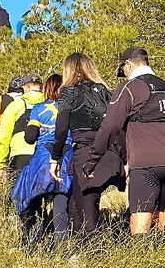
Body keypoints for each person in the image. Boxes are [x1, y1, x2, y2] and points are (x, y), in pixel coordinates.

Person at [85, 47, 165, 238]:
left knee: (140, 228)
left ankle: (143, 263)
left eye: (123, 70)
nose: (124, 75)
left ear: (129, 65)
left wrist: (92, 162)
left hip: (146, 164)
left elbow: (110, 128)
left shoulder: (129, 88)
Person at [49, 53, 121, 240]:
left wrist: (55, 158)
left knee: (84, 209)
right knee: (76, 202)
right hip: (111, 151)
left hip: (85, 150)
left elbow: (61, 126)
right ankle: (83, 252)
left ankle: (90, 253)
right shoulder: (106, 91)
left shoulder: (69, 91)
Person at [12, 74, 72, 251]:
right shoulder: (71, 108)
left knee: (36, 199)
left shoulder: (38, 109)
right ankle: (62, 247)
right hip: (65, 157)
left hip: (42, 159)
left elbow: (30, 138)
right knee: (61, 200)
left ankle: (33, 242)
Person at [0, 75, 44, 180]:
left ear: (25, 87)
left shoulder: (15, 106)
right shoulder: (50, 105)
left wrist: (1, 165)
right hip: (44, 157)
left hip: (19, 156)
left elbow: (3, 136)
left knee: (18, 194)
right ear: (42, 87)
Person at [0, 77, 26, 170]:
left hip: (4, 149)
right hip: (28, 149)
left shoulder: (1, 100)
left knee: (6, 180)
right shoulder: (32, 101)